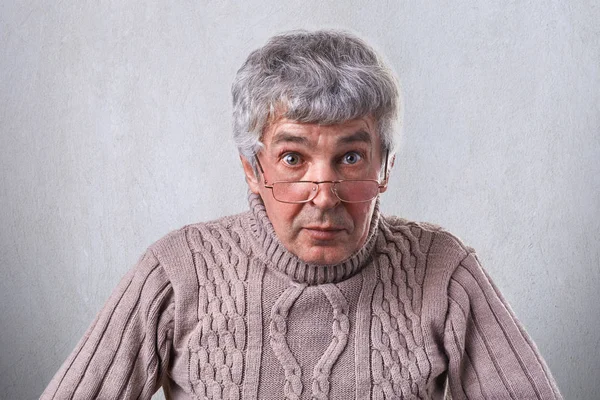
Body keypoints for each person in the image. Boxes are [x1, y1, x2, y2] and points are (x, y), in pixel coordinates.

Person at [41, 30, 562, 400]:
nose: (325, 195)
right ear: (252, 168)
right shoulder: (177, 271)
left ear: (388, 165)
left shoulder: (442, 268)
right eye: (293, 159)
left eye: (351, 158)